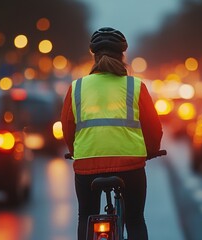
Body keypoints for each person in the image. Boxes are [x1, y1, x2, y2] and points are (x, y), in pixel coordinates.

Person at [61, 27, 163, 240]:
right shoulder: (135, 86)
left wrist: (75, 151)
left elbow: (68, 128)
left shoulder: (76, 87)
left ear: (94, 57)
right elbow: (154, 128)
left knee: (85, 216)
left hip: (86, 165)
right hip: (130, 165)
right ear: (123, 56)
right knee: (135, 220)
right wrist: (151, 150)